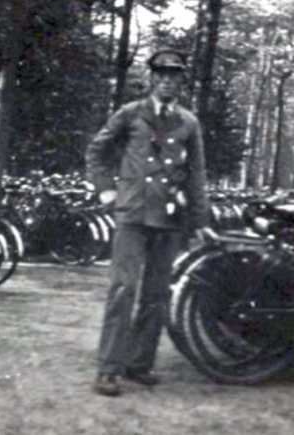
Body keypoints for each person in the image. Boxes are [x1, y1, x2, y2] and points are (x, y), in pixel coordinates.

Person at [85, 48, 212, 397]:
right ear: (152, 78)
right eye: (162, 75)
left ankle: (139, 364)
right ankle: (108, 369)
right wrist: (105, 190)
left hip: (169, 218)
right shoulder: (130, 113)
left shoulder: (188, 122)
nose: (168, 81)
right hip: (133, 214)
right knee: (123, 290)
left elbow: (196, 174)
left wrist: (200, 219)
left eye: (175, 76)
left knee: (156, 294)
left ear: (181, 82)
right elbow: (96, 151)